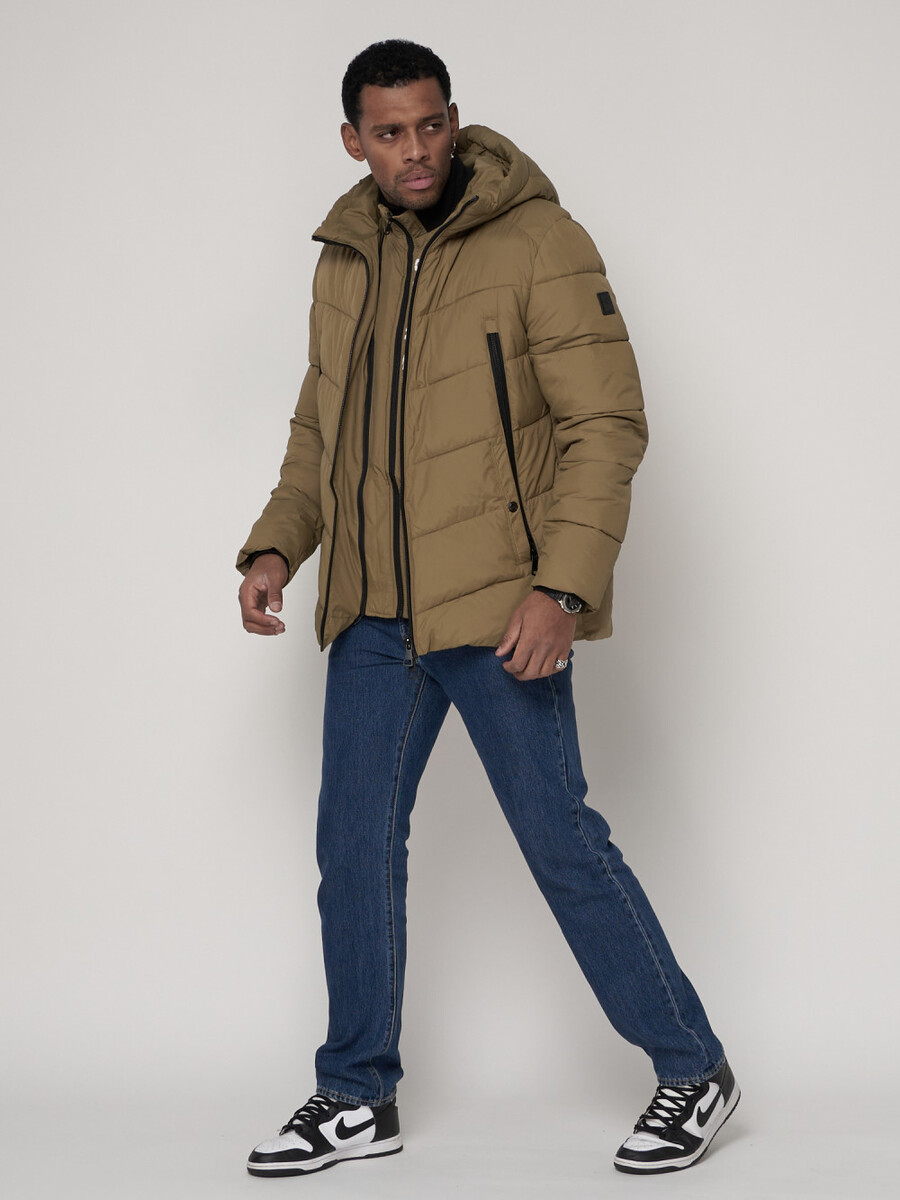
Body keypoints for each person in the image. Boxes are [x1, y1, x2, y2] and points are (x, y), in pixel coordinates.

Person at [237, 39, 739, 1178]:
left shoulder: (539, 241)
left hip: (496, 604)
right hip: (373, 610)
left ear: (453, 119)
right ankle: (355, 1093)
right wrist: (278, 542)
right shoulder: (346, 258)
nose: (414, 150)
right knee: (352, 851)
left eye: (430, 125)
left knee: (560, 843)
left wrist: (561, 587)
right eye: (389, 132)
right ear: (353, 140)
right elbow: (321, 424)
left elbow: (606, 425)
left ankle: (693, 1066)